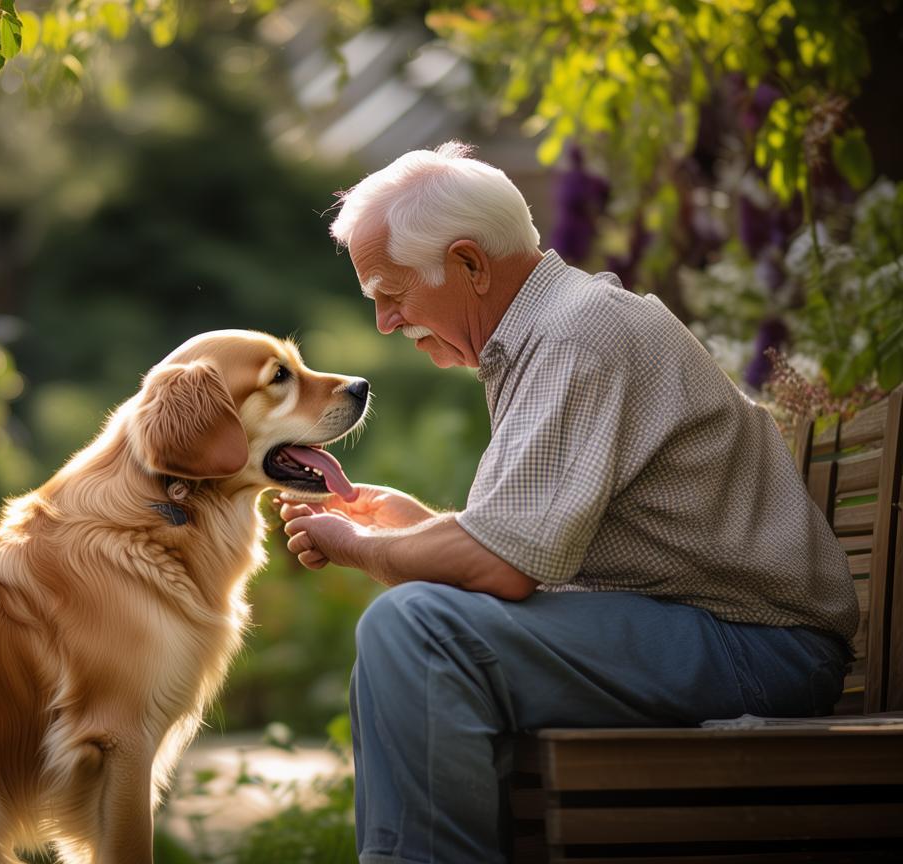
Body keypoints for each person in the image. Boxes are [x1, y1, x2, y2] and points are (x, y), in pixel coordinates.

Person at [278, 141, 858, 864]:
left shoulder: (579, 335)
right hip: (706, 632)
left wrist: (363, 548)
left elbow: (504, 570)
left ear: (469, 263)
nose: (386, 324)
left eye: (391, 293)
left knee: (419, 631)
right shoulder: (545, 334)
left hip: (758, 648)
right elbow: (525, 554)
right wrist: (416, 527)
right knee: (419, 627)